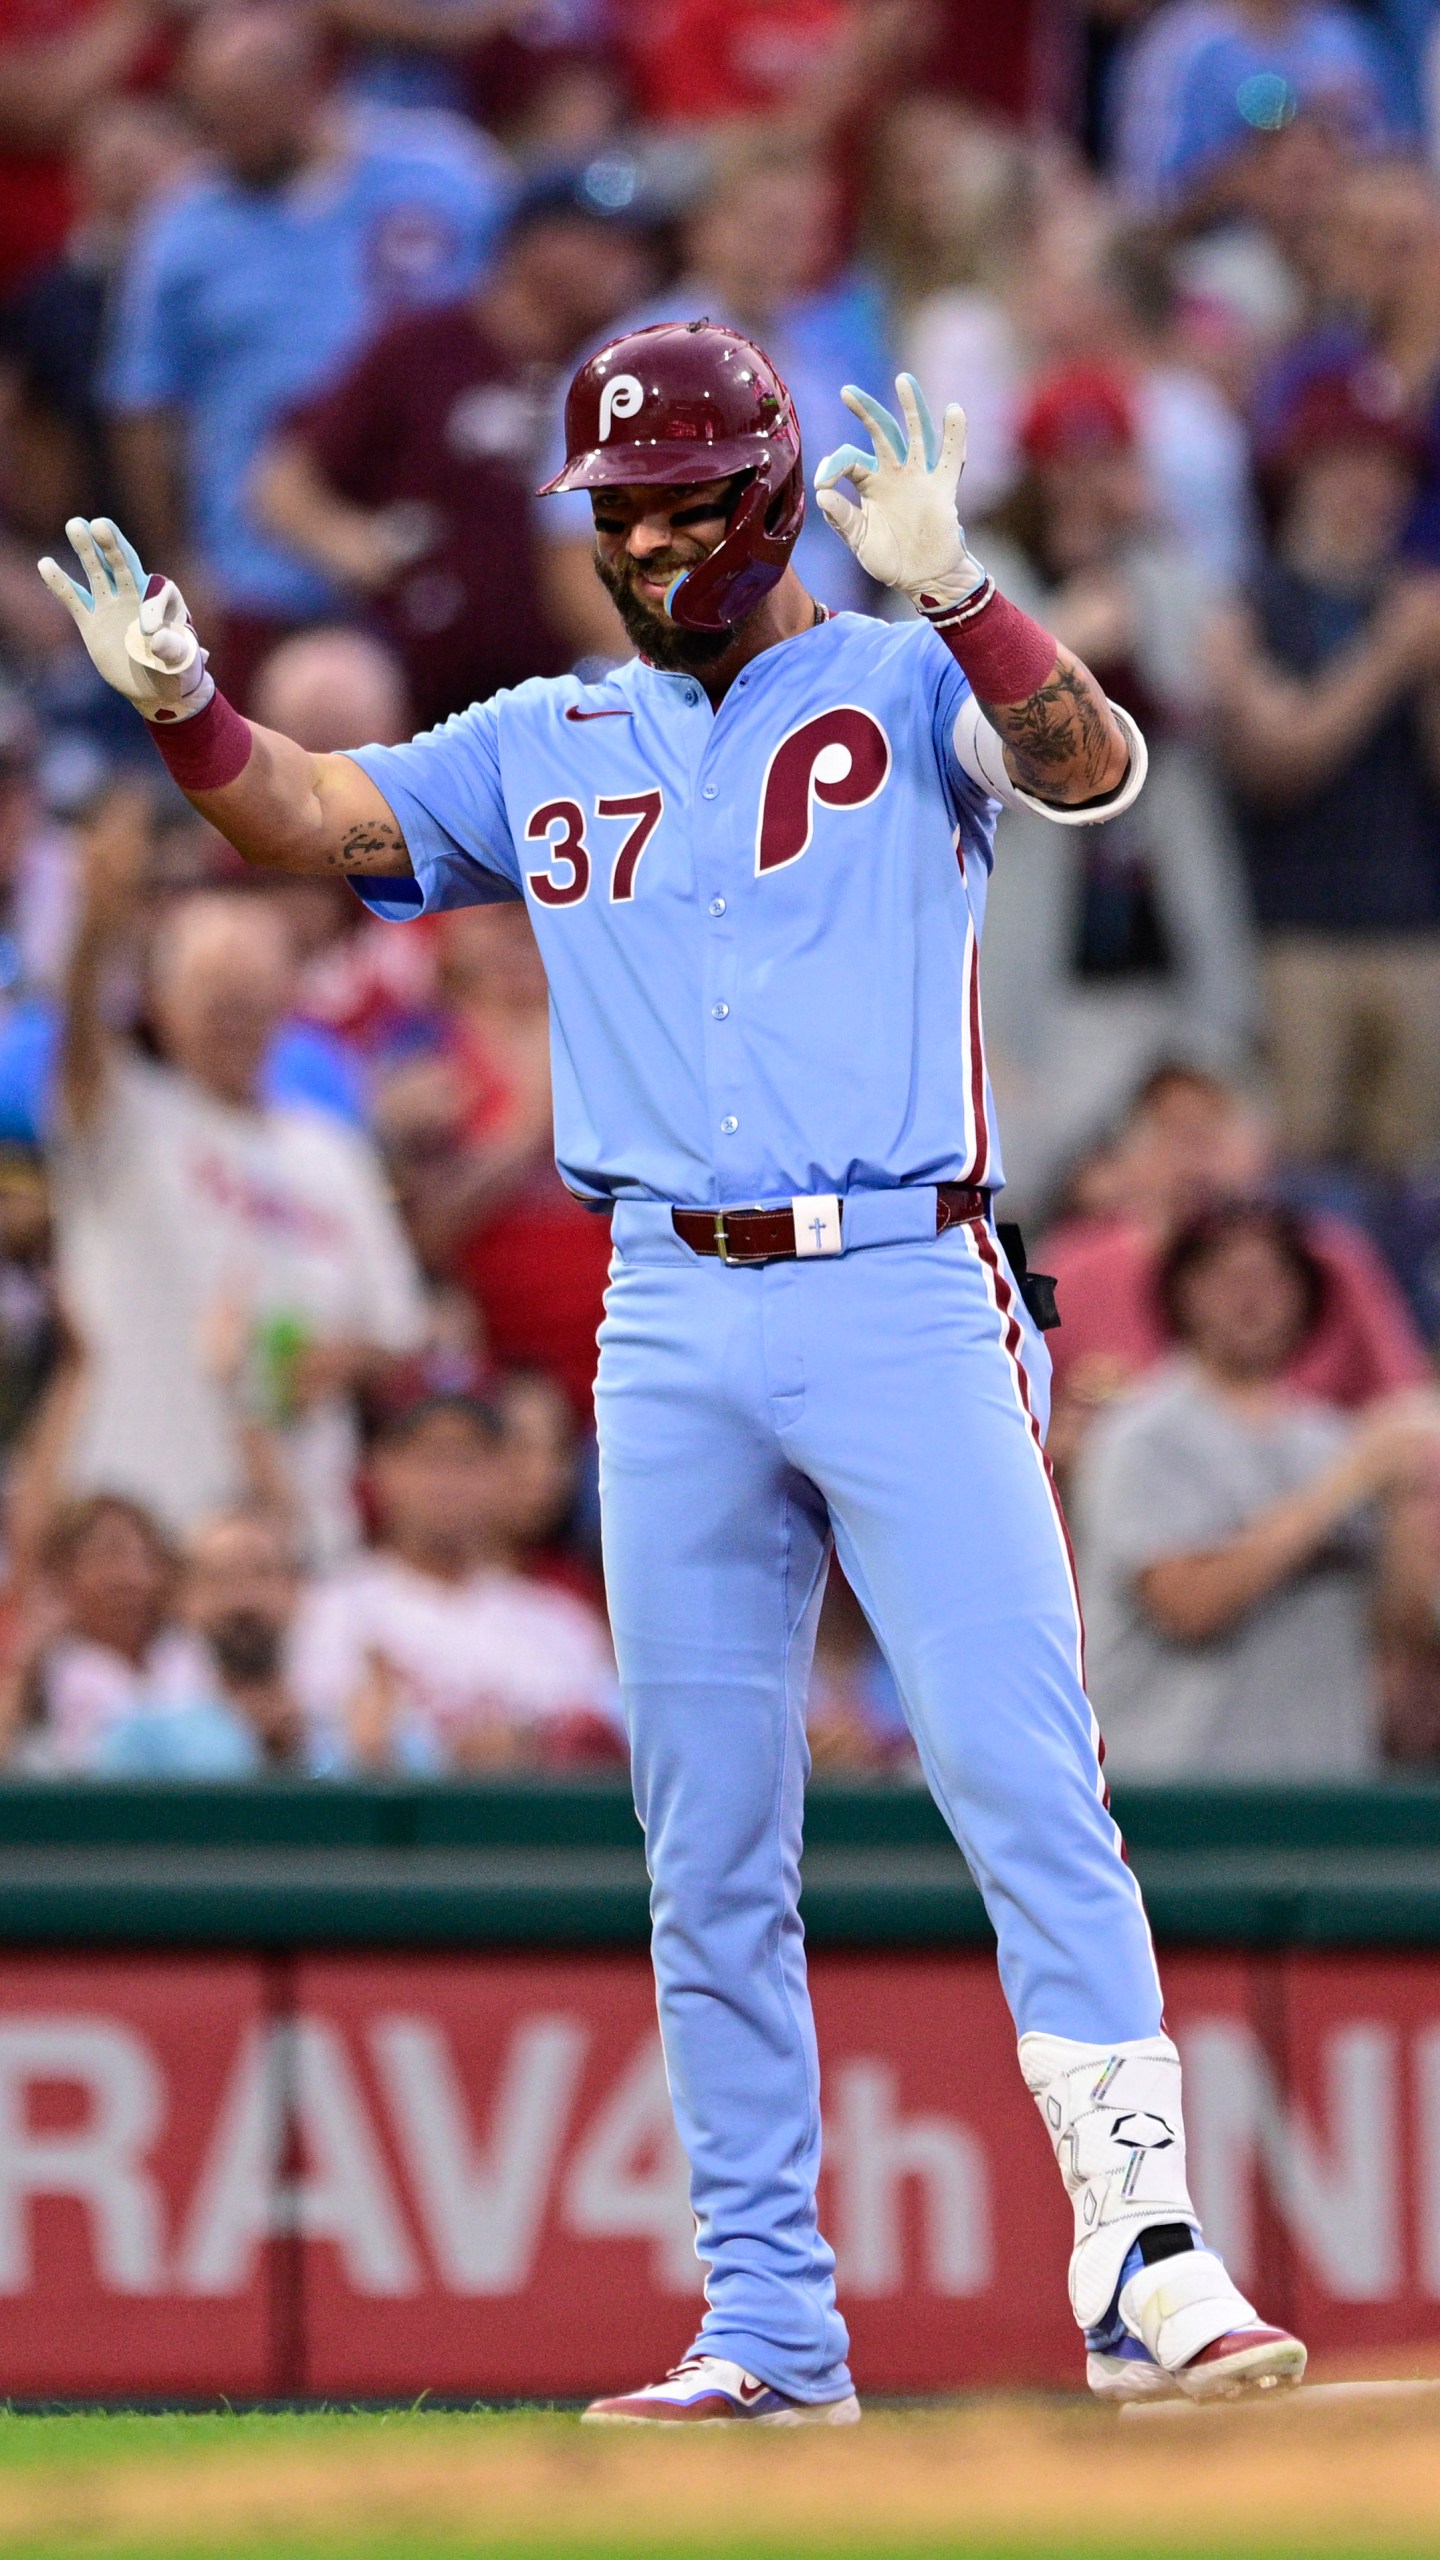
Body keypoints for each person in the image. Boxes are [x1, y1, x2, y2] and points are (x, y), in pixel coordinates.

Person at [41, 326, 1303, 2416]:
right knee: (709, 1840)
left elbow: (1093, 765)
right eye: (616, 506)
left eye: (679, 498)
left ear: (778, 491)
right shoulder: (552, 731)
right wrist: (187, 711)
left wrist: (968, 594)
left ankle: (1146, 2255)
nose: (640, 537)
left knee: (1018, 1770)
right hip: (669, 1305)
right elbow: (320, 819)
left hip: (902, 1269)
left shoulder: (906, 675)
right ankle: (770, 2322)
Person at [50, 787, 427, 1557]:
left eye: (251, 999)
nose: (234, 1020)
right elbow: (81, 1048)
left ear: (288, 1002)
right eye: (213, 998)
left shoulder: (331, 1151)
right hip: (138, 1517)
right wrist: (99, 921)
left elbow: (399, 1327)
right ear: (160, 1002)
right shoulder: (125, 1116)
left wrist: (342, 1360)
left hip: (295, 1525)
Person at [103, 0, 510, 706]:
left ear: (309, 87)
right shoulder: (184, 225)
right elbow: (143, 407)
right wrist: (177, 561)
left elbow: (510, 327)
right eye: (213, 115)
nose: (230, 136)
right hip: (259, 567)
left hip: (436, 557)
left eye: (247, 110)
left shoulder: (444, 175)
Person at [254, 165, 659, 723]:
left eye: (633, 247)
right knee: (326, 684)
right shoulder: (426, 347)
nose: (626, 265)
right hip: (417, 658)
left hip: (573, 671)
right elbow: (281, 483)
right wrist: (362, 549)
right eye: (601, 244)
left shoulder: (634, 366)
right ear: (533, 245)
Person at [1075, 1201, 1440, 1775]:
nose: (1251, 1297)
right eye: (1225, 1276)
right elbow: (1188, 1607)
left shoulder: (1330, 1438)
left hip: (1320, 1788)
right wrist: (1346, 1480)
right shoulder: (1142, 1437)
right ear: (1184, 1293)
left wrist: (1406, 1506)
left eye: (1274, 1278)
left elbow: (1406, 1636)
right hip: (1170, 1790)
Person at [1211, 365, 1440, 1175]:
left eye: (1387, 469)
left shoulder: (1418, 603)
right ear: (1301, 472)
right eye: (1347, 464)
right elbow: (1277, 759)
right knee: (1304, 1178)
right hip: (1297, 937)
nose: (1370, 490)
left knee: (1417, 1185)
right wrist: (1390, 657)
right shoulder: (1253, 602)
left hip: (1416, 932)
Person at [1040, 1063, 1431, 1478]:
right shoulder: (1069, 1269)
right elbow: (1012, 1424)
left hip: (1312, 1510)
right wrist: (1057, 1444)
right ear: (1126, 1159)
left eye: (1211, 1134)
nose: (1193, 1162)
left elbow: (1407, 1414)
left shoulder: (1330, 1262)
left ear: (1261, 1151)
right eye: (1170, 1135)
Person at [289, 1392, 620, 1769]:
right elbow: (306, 1763)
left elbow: (616, 1757)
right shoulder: (332, 1610)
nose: (447, 1482)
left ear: (502, 1474)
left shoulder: (562, 1624)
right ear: (381, 1470)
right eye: (429, 1459)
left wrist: (533, 1746)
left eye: (467, 1461)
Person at [0, 1489, 210, 1771]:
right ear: (61, 1576)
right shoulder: (41, 1672)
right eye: (110, 1555)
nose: (132, 1578)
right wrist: (26, 1665)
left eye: (147, 1558)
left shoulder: (196, 1652)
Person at [101, 1500, 312, 1773]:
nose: (243, 1598)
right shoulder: (141, 1740)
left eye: (263, 1573)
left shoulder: (343, 1729)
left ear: (296, 1591)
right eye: (221, 1579)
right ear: (184, 1600)